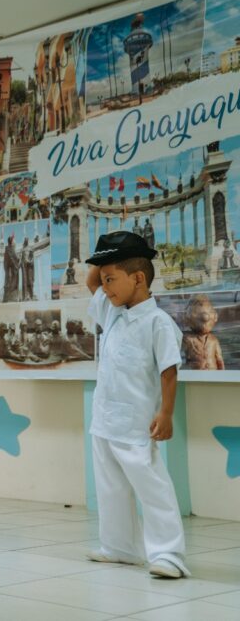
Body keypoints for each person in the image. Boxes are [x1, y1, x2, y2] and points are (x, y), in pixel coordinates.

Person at [85, 230, 189, 579]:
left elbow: (168, 371)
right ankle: (120, 548)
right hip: (104, 421)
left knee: (152, 486)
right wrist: (101, 257)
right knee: (110, 487)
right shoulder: (113, 312)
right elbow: (90, 283)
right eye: (103, 280)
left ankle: (168, 553)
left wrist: (166, 413)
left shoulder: (158, 323)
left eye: (111, 279)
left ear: (138, 278)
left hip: (136, 424)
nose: (104, 287)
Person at [181, 295, 224, 370]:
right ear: (187, 318)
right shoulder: (188, 340)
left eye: (210, 311)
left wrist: (223, 374)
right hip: (196, 376)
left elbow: (219, 359)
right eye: (197, 312)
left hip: (213, 374)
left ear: (215, 316)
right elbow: (183, 360)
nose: (205, 317)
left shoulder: (213, 340)